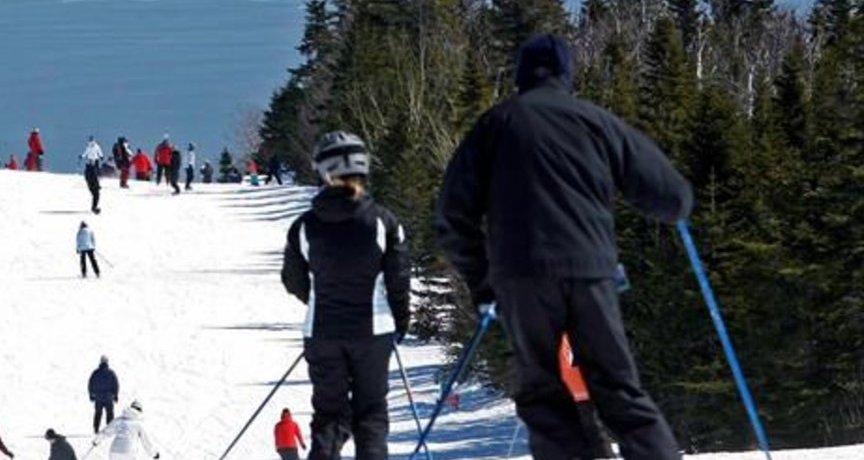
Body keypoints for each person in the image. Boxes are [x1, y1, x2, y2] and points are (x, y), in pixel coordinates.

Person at [437, 34, 691, 460]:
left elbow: (451, 213)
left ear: (520, 76)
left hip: (521, 274)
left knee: (542, 392)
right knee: (619, 389)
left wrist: (482, 283)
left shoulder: (496, 125)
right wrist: (671, 209)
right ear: (566, 74)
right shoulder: (595, 121)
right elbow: (672, 196)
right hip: (591, 269)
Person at [281, 131, 410, 460]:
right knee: (371, 417)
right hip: (373, 331)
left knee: (329, 417)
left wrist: (318, 298)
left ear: (324, 171)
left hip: (322, 331)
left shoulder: (305, 225)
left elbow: (292, 279)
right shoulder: (382, 222)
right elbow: (398, 278)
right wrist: (401, 321)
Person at [90, 402, 155, 460]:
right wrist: (154, 454)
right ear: (140, 411)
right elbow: (146, 442)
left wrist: (96, 440)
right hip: (129, 453)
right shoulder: (139, 424)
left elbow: (106, 431)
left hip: (114, 452)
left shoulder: (119, 420)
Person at [87, 357, 119, 432]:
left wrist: (91, 394)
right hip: (109, 397)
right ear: (107, 362)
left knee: (98, 413)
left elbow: (90, 384)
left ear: (100, 362)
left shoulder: (95, 373)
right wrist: (116, 395)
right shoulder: (111, 373)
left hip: (98, 398)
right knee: (109, 414)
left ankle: (96, 429)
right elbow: (115, 384)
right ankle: (109, 429)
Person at [81, 136, 105, 214]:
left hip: (95, 160)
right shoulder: (88, 147)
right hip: (91, 162)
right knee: (96, 194)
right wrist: (83, 156)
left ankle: (94, 207)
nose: (91, 142)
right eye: (90, 141)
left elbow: (99, 151)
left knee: (95, 194)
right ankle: (94, 207)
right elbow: (86, 153)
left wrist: (101, 156)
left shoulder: (96, 146)